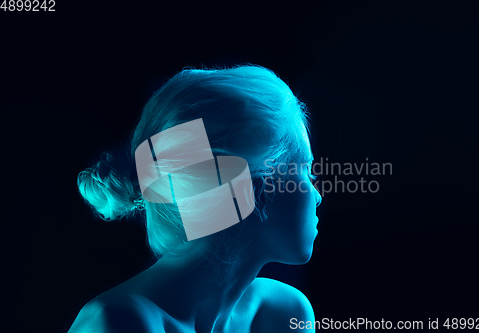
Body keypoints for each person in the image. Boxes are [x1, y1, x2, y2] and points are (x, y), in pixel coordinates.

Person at [69, 65, 322, 332]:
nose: (316, 195)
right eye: (304, 169)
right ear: (253, 185)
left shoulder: (285, 313)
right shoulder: (119, 323)